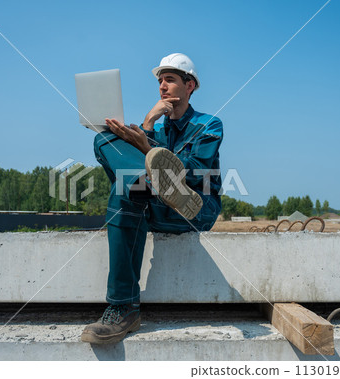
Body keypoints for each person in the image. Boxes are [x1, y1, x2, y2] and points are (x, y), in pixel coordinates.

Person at [81, 53, 223, 344]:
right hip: (157, 203)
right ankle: (125, 310)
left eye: (170, 80)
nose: (162, 87)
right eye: (160, 81)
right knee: (104, 140)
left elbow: (197, 172)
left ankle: (122, 305)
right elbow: (140, 148)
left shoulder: (210, 125)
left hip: (196, 205)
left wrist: (145, 147)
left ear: (190, 85)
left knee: (129, 188)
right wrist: (147, 123)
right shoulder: (155, 128)